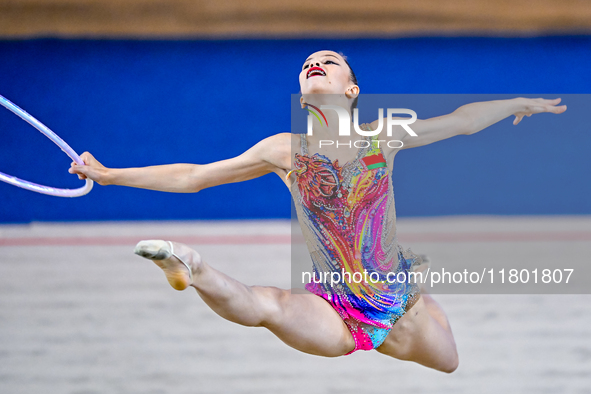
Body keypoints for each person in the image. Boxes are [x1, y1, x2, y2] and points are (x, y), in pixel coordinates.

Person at [69, 50, 567, 373]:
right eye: (308, 64)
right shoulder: (285, 148)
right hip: (334, 305)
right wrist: (112, 175)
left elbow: (460, 122)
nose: (315, 65)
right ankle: (190, 267)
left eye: (329, 62)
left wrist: (516, 102)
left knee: (449, 361)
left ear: (352, 89)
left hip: (396, 299)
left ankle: (198, 271)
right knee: (269, 307)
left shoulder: (382, 135)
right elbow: (195, 175)